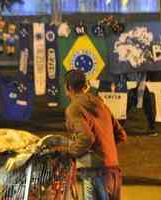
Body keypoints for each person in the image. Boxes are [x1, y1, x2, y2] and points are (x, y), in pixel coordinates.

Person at [49, 70, 127, 200]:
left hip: (95, 172)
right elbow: (121, 135)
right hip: (113, 171)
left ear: (68, 87)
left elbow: (86, 138)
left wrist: (69, 152)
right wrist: (104, 149)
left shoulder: (74, 108)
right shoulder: (101, 105)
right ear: (85, 86)